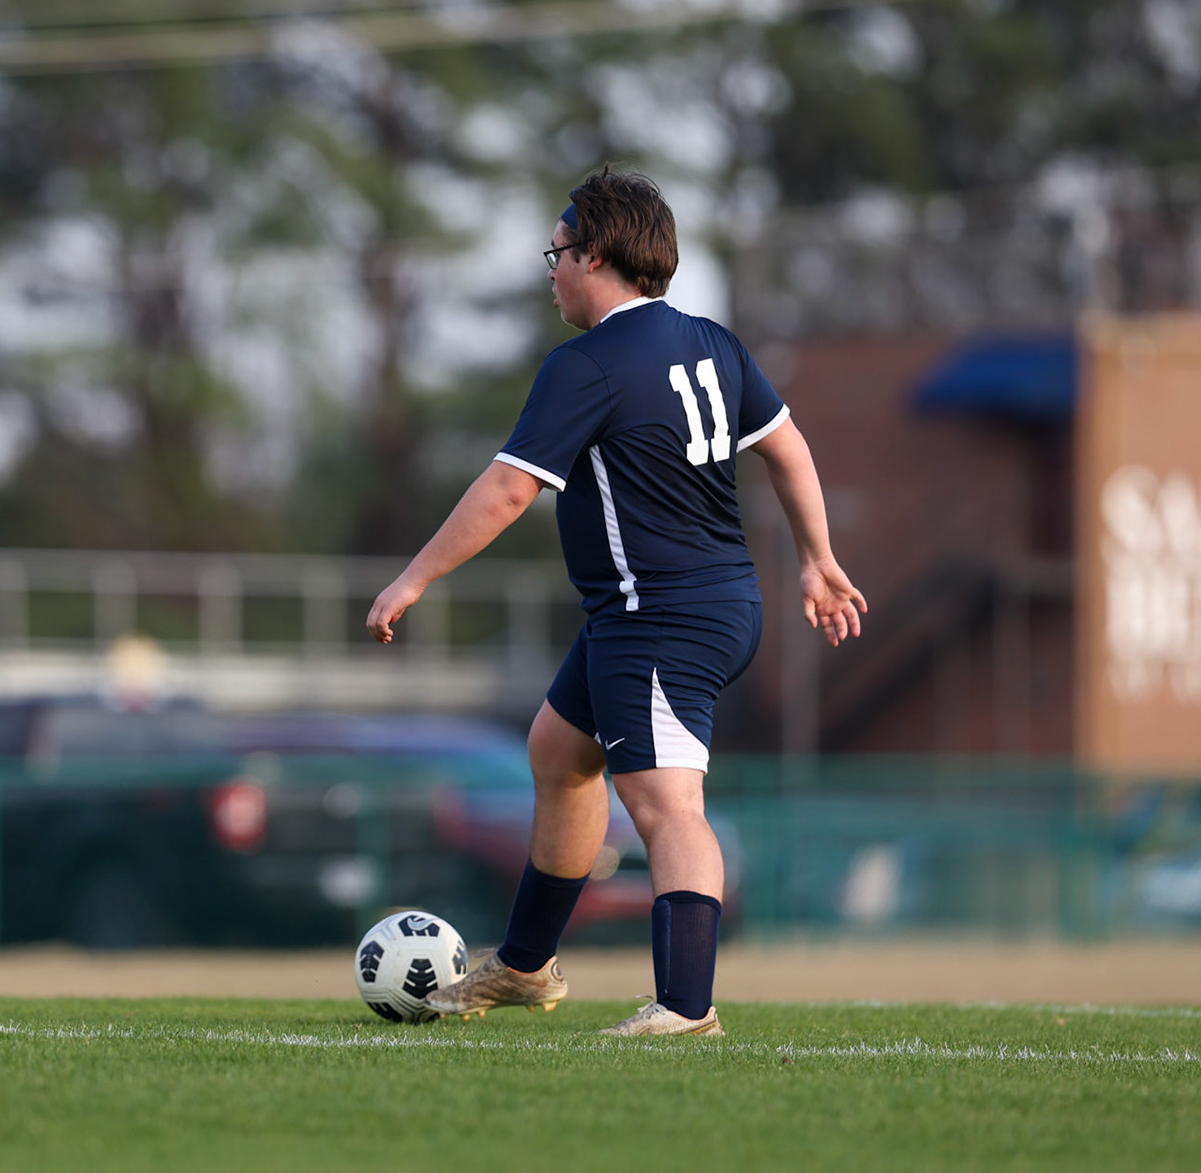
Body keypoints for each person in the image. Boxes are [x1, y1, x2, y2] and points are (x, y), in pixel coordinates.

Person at [365, 169, 865, 1036]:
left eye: (556, 253)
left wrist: (414, 577)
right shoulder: (714, 343)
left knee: (670, 808)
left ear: (596, 257)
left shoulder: (588, 364)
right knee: (559, 753)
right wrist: (817, 558)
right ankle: (525, 968)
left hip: (662, 618)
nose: (551, 270)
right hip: (681, 609)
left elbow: (507, 493)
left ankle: (685, 1006)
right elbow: (789, 448)